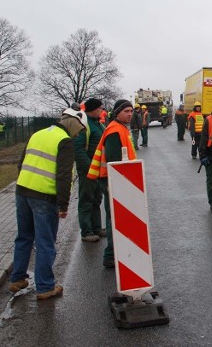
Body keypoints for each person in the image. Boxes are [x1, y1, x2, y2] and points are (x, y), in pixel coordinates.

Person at [9, 109, 86, 300]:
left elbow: (21, 163)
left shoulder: (38, 134)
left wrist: (24, 184)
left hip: (23, 191)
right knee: (45, 242)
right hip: (44, 197)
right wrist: (63, 204)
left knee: (24, 237)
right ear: (74, 123)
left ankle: (17, 279)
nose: (78, 134)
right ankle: (44, 287)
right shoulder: (64, 141)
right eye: (79, 130)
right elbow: (64, 175)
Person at [87, 99, 136, 268]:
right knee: (114, 217)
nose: (130, 114)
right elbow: (115, 161)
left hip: (114, 180)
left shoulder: (120, 128)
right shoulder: (115, 131)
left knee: (115, 216)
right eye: (126, 111)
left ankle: (114, 253)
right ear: (117, 113)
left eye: (131, 111)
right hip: (112, 180)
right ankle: (110, 255)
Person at [73, 98, 106, 243]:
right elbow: (78, 149)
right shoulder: (84, 126)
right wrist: (89, 168)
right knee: (86, 200)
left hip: (98, 170)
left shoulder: (98, 124)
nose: (102, 110)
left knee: (96, 199)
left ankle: (96, 227)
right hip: (88, 170)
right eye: (100, 108)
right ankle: (86, 231)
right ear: (92, 109)